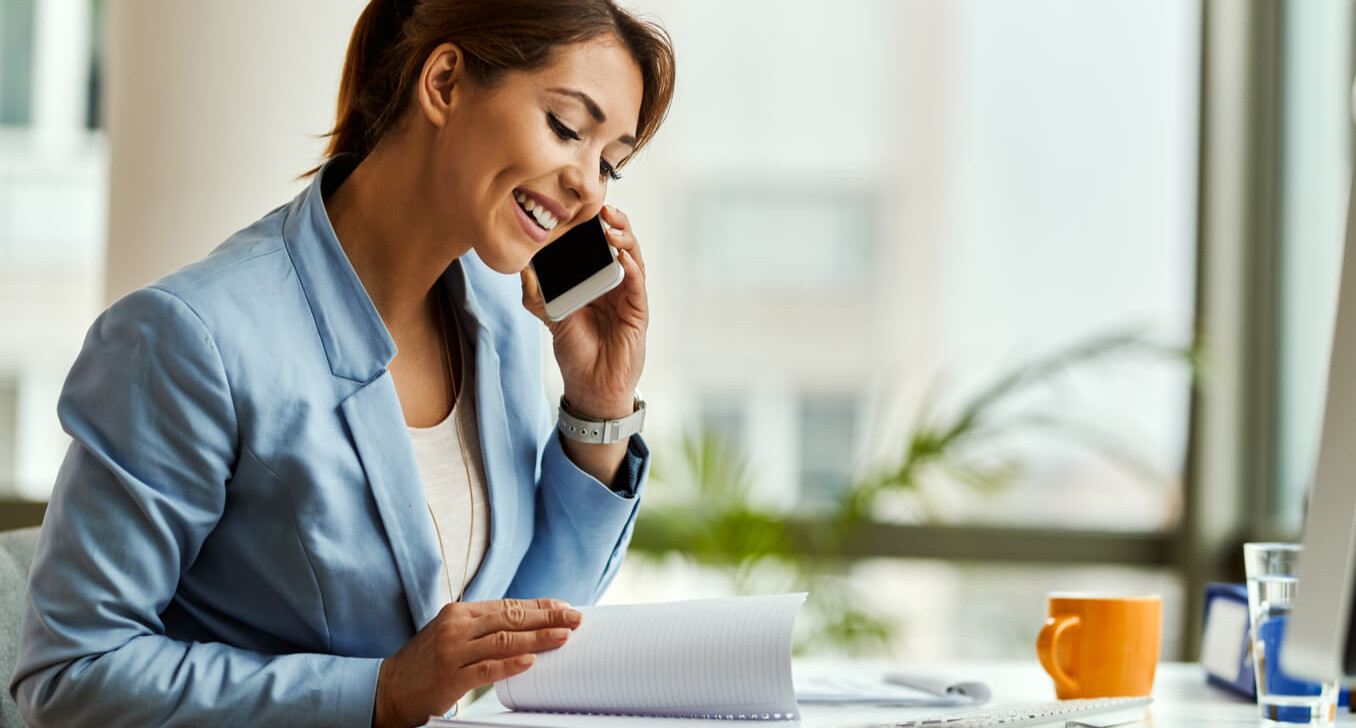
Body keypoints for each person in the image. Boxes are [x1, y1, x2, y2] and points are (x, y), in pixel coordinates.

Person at [9, 0, 675, 726]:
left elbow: (516, 635)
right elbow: (71, 674)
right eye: (567, 128)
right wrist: (379, 691)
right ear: (446, 82)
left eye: (611, 163)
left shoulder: (504, 323)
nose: (588, 184)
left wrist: (599, 402)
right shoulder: (188, 340)